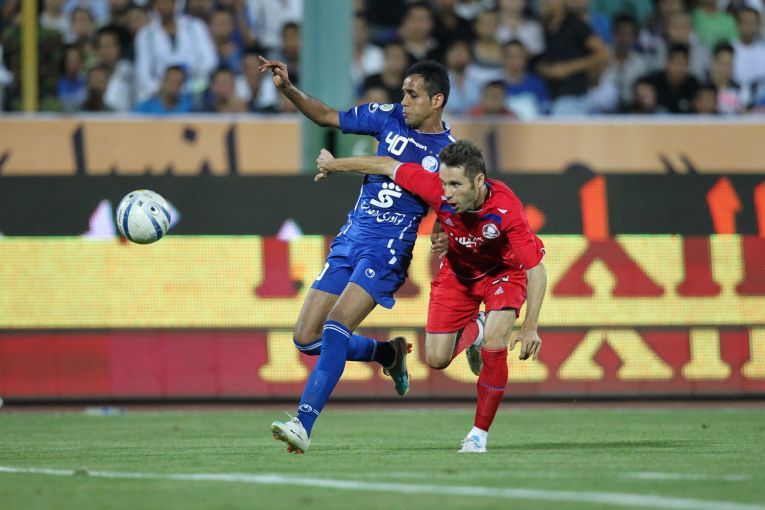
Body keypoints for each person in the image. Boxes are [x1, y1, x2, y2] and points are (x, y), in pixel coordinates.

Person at [258, 56, 471, 454]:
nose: (403, 101)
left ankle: (303, 424)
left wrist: (444, 235)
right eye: (403, 93)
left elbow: (451, 206)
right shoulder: (388, 117)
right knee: (305, 339)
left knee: (337, 324)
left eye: (412, 95)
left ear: (437, 100)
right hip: (350, 239)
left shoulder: (448, 154)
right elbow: (326, 116)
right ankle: (387, 352)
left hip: (388, 249)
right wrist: (288, 89)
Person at [315, 139, 547, 454]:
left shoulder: (507, 208)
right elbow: (387, 165)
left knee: (496, 341)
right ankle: (477, 330)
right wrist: (334, 165)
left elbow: (536, 270)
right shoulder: (436, 187)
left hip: (502, 273)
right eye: (444, 182)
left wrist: (530, 326)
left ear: (479, 181)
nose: (447, 192)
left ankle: (478, 435)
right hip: (459, 275)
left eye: (456, 185)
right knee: (436, 359)